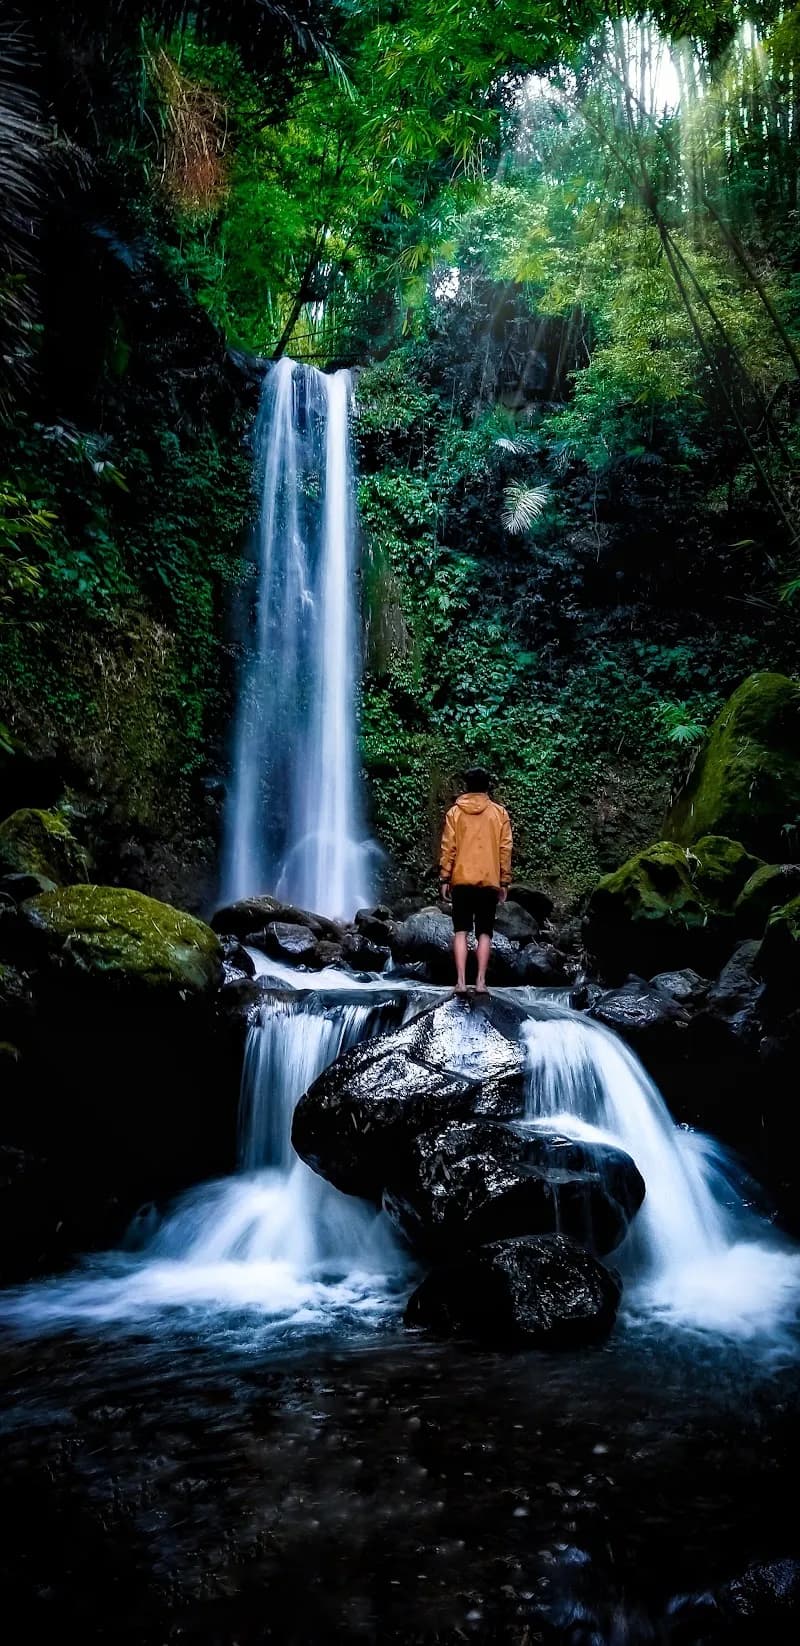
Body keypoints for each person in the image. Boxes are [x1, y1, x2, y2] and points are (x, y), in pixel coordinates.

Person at [439, 767, 513, 994]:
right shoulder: (499, 814)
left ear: (467, 787)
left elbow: (448, 847)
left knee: (460, 931)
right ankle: (480, 982)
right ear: (487, 786)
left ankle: (461, 982)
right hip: (489, 881)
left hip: (460, 881)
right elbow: (505, 849)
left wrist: (444, 876)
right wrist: (504, 881)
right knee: (484, 932)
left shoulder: (455, 813)